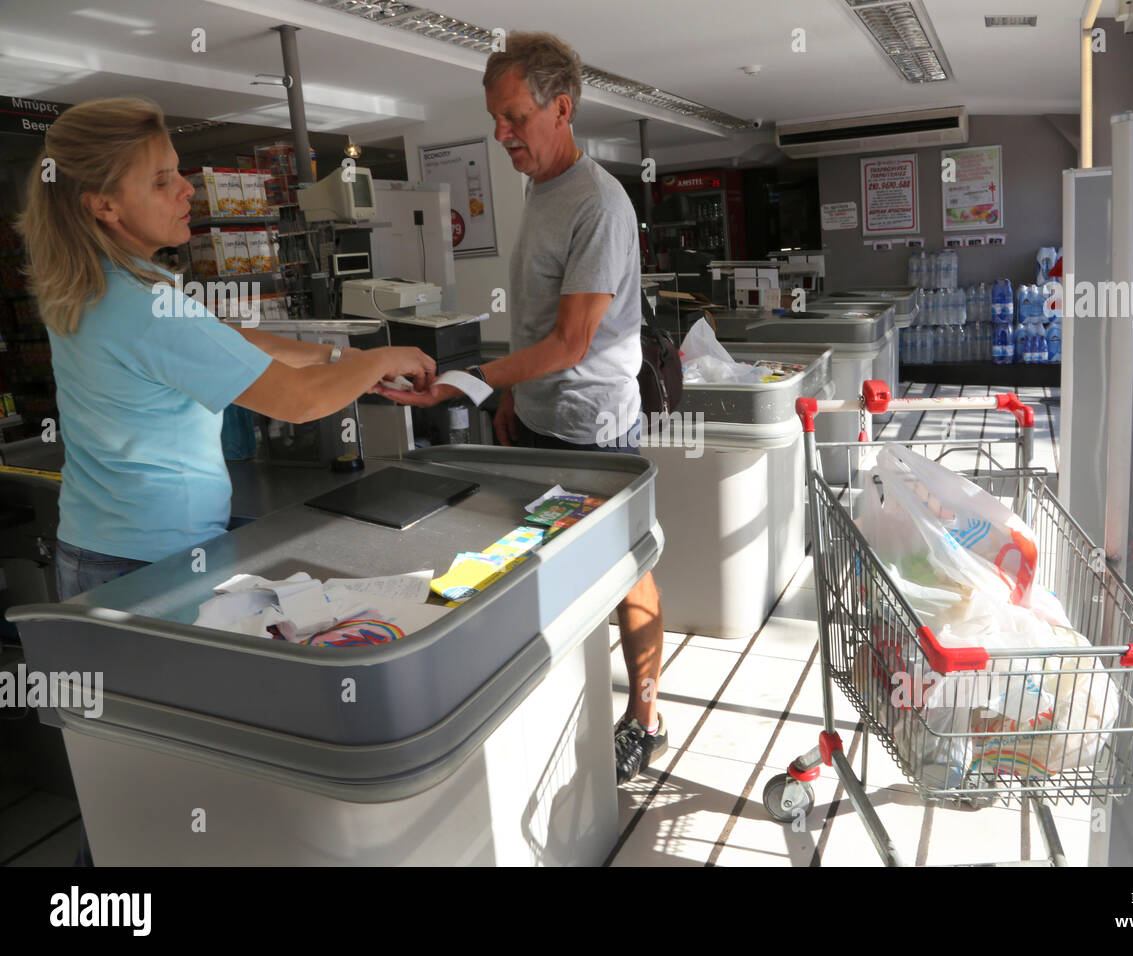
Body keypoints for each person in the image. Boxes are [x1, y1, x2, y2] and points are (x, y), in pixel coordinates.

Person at [17, 97, 439, 864]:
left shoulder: (91, 283)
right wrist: (380, 360)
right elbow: (300, 405)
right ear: (103, 204)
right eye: (163, 179)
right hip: (153, 573)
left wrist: (325, 356)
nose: (187, 191)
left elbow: (228, 341)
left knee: (125, 764)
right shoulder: (143, 305)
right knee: (167, 774)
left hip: (96, 555)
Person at [377, 31, 667, 785]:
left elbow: (572, 342)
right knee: (546, 566)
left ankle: (645, 717)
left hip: (595, 431)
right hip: (537, 419)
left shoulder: (601, 205)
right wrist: (509, 394)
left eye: (513, 118)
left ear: (560, 108)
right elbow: (536, 323)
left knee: (625, 572)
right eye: (495, 120)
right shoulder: (541, 188)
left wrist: (466, 383)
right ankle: (568, 697)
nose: (501, 135)